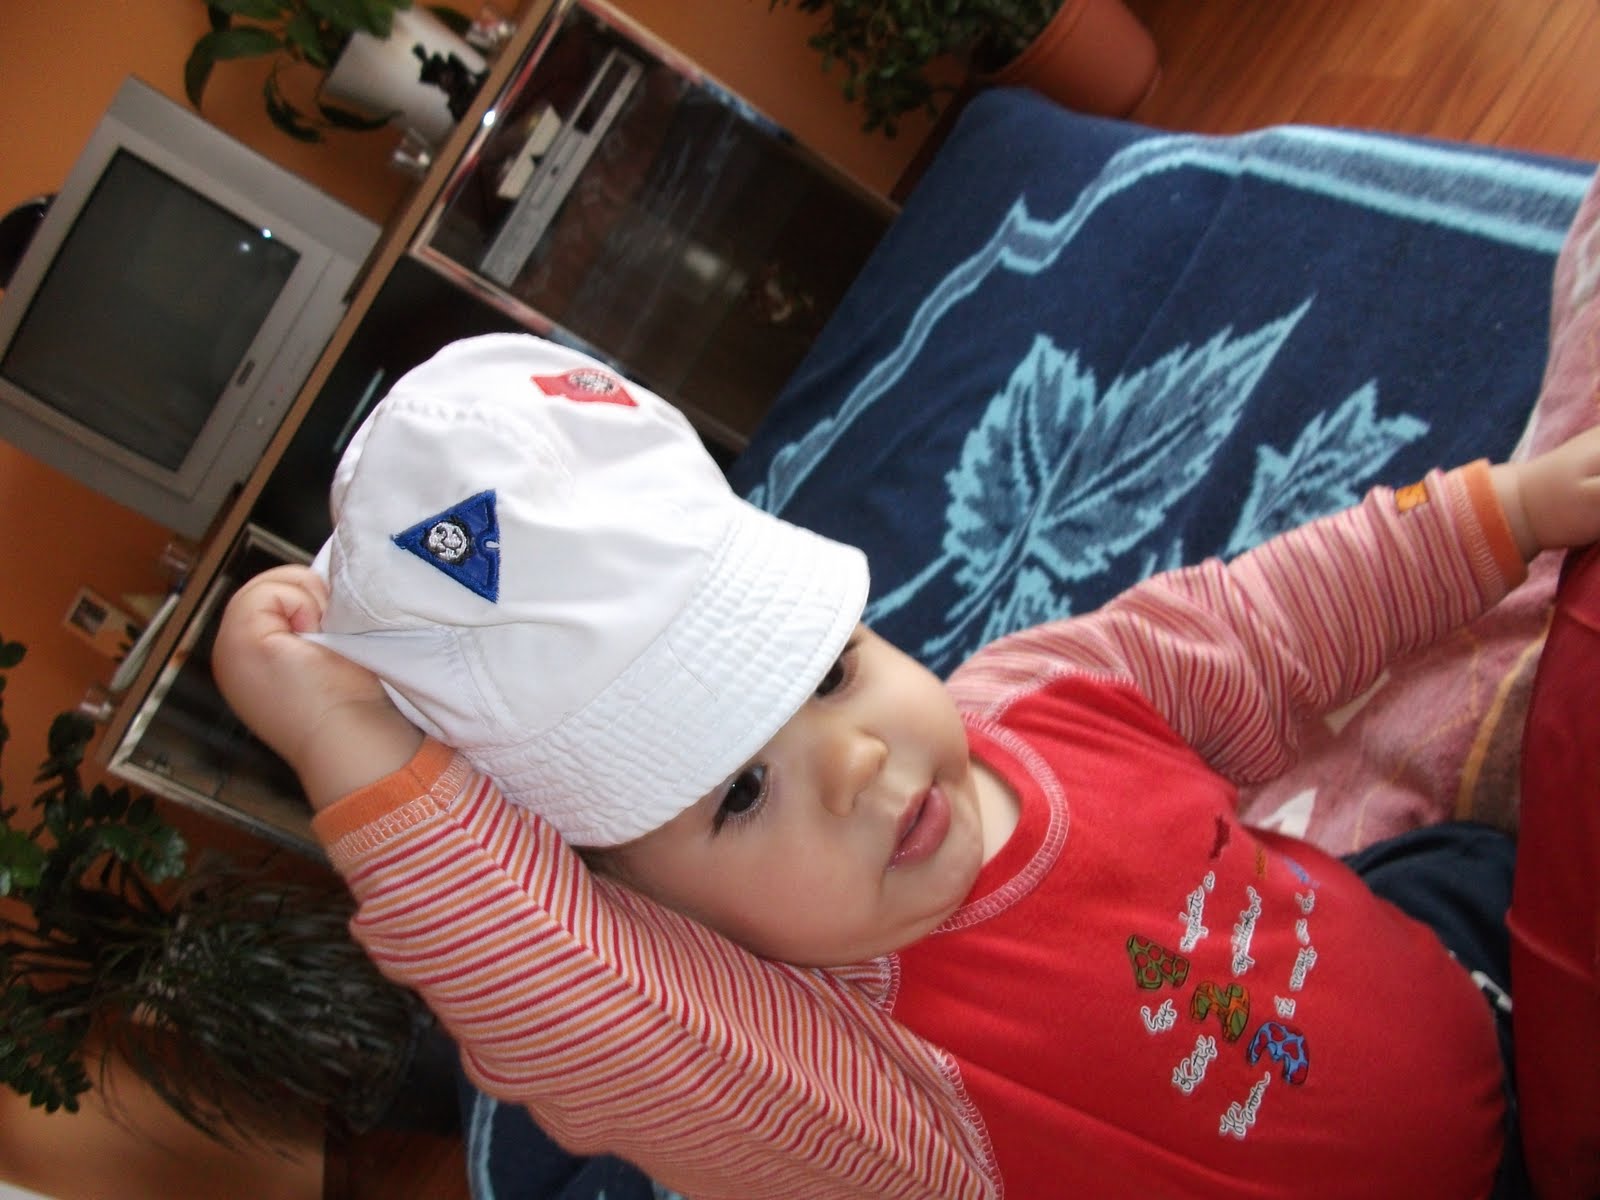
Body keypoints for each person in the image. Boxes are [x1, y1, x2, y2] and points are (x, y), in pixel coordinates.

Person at [214, 333, 1600, 1200]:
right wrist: (343, 737)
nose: (858, 761)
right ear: (653, 919)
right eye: (738, 791)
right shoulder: (862, 1087)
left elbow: (1261, 625)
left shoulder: (1043, 695)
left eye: (826, 669)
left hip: (1461, 975)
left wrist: (1509, 511)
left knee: (1514, 849)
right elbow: (576, 1001)